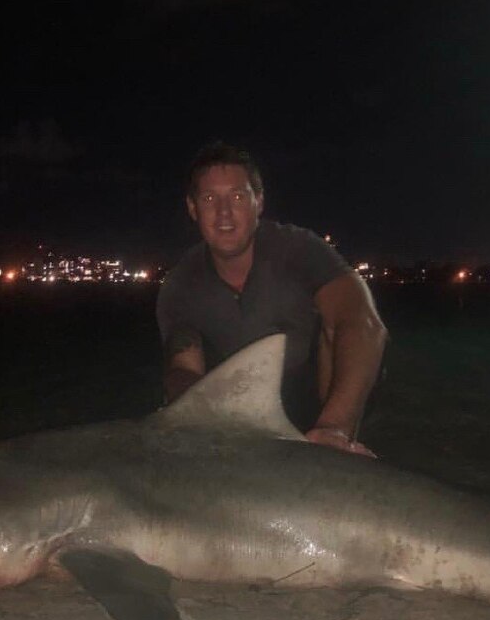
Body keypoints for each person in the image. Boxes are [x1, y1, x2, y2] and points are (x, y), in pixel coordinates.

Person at [156, 141, 387, 456]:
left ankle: (339, 442)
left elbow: (364, 324)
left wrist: (335, 426)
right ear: (192, 208)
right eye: (210, 199)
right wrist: (200, 421)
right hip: (239, 406)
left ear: (259, 202)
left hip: (319, 401)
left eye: (237, 196)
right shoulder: (181, 285)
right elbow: (183, 369)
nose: (224, 213)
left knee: (344, 328)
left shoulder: (299, 250)